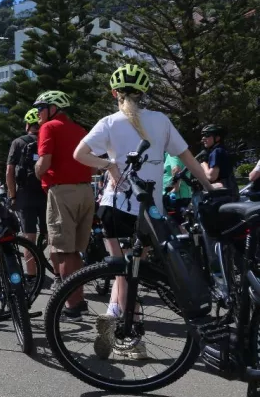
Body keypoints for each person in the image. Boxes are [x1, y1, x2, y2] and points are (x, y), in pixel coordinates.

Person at [73, 64, 214, 359]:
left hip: (114, 206)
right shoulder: (161, 120)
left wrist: (109, 165)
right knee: (131, 273)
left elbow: (79, 154)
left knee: (122, 272)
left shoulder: (109, 122)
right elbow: (186, 157)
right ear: (143, 93)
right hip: (149, 212)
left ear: (114, 93)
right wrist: (209, 187)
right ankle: (133, 338)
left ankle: (114, 315)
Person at [33, 90, 94, 318]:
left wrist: (38, 172)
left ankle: (71, 305)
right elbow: (93, 166)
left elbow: (44, 162)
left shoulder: (49, 127)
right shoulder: (80, 129)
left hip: (63, 192)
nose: (38, 113)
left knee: (62, 250)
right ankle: (79, 299)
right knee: (75, 251)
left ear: (53, 108)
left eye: (41, 108)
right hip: (86, 191)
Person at [6, 108, 48, 281]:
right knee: (51, 236)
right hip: (47, 192)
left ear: (27, 125)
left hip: (25, 195)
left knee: (29, 237)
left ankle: (31, 276)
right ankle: (60, 276)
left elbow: (9, 171)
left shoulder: (18, 142)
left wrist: (13, 195)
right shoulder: (48, 140)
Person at [198, 124, 238, 196]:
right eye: (203, 135)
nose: (203, 138)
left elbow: (212, 176)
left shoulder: (217, 151)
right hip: (231, 192)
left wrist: (203, 165)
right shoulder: (222, 150)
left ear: (217, 138)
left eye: (207, 135)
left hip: (224, 195)